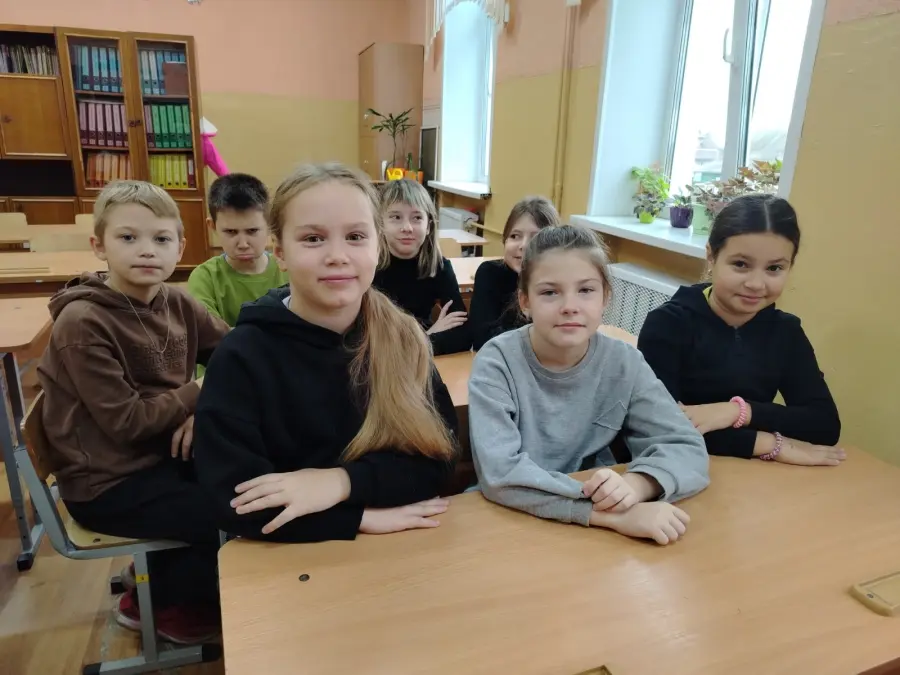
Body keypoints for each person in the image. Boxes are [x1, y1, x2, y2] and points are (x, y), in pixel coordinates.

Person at [193, 163, 458, 544]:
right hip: (287, 557)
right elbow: (234, 501)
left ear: (377, 248)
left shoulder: (402, 339)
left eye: (355, 236)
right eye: (313, 239)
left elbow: (439, 461)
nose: (337, 255)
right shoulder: (241, 357)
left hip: (399, 545)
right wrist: (356, 518)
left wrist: (340, 483)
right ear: (280, 253)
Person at [37, 180, 230, 644]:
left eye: (161, 239)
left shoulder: (176, 301)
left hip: (158, 457)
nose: (147, 250)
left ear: (180, 247)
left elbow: (234, 353)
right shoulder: (83, 323)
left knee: (247, 474)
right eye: (128, 237)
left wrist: (199, 409)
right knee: (227, 512)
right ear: (99, 245)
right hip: (107, 483)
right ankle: (158, 606)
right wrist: (200, 391)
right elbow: (128, 424)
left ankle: (155, 577)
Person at [468, 225, 709, 546]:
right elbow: (500, 476)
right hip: (511, 518)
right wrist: (610, 516)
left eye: (585, 290)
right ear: (524, 301)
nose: (570, 305)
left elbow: (687, 447)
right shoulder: (496, 361)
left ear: (605, 297)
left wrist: (637, 485)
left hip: (591, 524)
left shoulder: (624, 361)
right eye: (550, 292)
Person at [638, 194, 844, 466]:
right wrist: (766, 443)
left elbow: (825, 425)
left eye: (774, 268)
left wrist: (737, 411)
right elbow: (657, 428)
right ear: (711, 256)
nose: (756, 284)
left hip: (749, 473)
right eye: (740, 265)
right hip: (673, 467)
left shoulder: (786, 331)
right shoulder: (668, 324)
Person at [372, 179, 471, 355]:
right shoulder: (368, 267)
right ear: (380, 224)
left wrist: (415, 345)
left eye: (417, 218)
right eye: (396, 217)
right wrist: (427, 336)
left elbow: (462, 335)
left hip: (422, 362)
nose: (407, 228)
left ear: (428, 227)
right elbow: (368, 342)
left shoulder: (439, 266)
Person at [187, 172, 288, 327]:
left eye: (252, 231)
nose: (243, 244)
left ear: (269, 225)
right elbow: (208, 334)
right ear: (212, 226)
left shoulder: (289, 270)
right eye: (231, 232)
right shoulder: (205, 278)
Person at [469, 196, 559, 350]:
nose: (523, 245)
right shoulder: (489, 273)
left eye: (535, 238)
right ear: (505, 240)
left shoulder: (560, 282)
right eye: (514, 236)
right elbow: (482, 340)